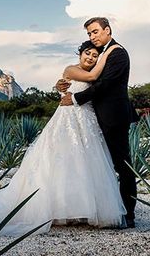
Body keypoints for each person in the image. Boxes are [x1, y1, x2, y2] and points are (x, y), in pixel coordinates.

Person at [0, 40, 126, 236]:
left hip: (87, 120)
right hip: (67, 118)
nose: (91, 58)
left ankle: (80, 210)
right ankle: (58, 209)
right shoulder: (71, 69)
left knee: (84, 164)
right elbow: (93, 77)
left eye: (95, 56)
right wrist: (109, 50)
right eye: (88, 53)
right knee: (61, 161)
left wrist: (61, 87)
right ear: (80, 54)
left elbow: (97, 85)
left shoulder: (94, 72)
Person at [58, 17, 138, 228]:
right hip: (95, 118)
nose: (92, 37)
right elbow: (82, 77)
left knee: (122, 165)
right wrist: (63, 87)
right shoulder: (104, 53)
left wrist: (75, 99)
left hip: (113, 116)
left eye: (95, 32)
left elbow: (104, 84)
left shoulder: (117, 53)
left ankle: (128, 215)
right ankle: (103, 208)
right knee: (101, 164)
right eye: (89, 34)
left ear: (107, 30)